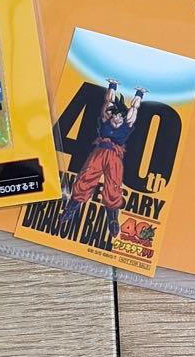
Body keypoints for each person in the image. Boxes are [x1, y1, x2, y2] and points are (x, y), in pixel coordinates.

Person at [60, 79, 144, 238]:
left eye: (120, 117)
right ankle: (71, 208)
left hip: (114, 156)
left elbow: (134, 109)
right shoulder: (106, 120)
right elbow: (108, 101)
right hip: (99, 153)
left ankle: (113, 218)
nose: (117, 119)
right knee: (85, 178)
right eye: (115, 116)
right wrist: (112, 86)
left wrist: (139, 94)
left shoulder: (126, 125)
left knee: (113, 185)